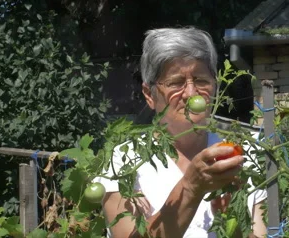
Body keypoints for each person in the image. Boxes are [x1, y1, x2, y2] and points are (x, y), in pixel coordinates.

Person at [95, 27, 267, 238]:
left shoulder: (244, 155)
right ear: (150, 95)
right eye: (176, 83)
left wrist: (232, 220)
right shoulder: (124, 163)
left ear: (215, 87)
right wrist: (191, 188)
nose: (191, 93)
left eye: (201, 80)